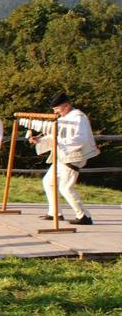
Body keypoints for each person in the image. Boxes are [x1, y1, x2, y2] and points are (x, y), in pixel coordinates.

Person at [29, 92, 99, 225]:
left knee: (66, 187)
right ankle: (55, 213)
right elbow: (55, 135)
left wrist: (60, 142)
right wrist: (40, 140)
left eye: (57, 109)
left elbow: (81, 138)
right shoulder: (64, 117)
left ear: (66, 106)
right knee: (48, 182)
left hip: (73, 156)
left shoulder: (79, 117)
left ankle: (84, 216)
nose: (55, 112)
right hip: (62, 156)